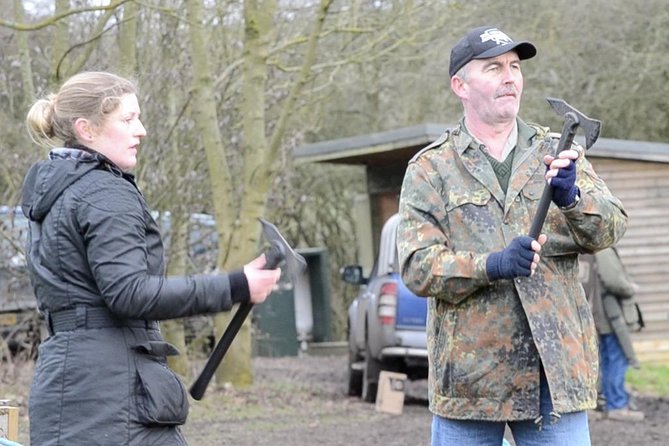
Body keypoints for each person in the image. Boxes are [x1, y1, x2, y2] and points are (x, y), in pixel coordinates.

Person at [20, 71, 282, 445]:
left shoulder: (54, 191)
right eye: (127, 120)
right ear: (86, 129)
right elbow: (130, 294)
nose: (140, 130)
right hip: (113, 398)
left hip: (67, 384)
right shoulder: (105, 192)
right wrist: (235, 285)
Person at [397, 26, 628, 445]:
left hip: (553, 375)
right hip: (470, 381)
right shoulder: (431, 168)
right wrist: (492, 265)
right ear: (460, 86)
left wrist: (573, 198)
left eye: (514, 66)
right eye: (493, 68)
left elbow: (610, 227)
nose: (509, 77)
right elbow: (417, 266)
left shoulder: (558, 151)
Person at [580, 247, 645, 422]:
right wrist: (629, 288)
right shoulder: (603, 248)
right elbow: (613, 280)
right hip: (609, 314)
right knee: (617, 357)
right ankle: (616, 405)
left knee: (605, 359)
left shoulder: (586, 247)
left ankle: (604, 403)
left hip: (596, 313)